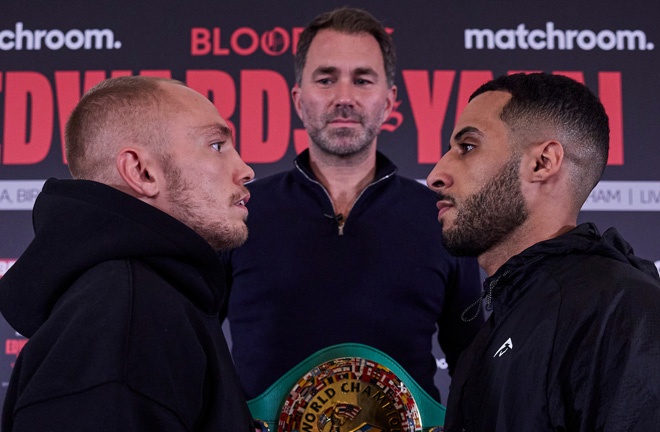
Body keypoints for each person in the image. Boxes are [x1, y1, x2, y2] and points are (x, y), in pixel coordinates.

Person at [223, 7, 484, 403]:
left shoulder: (442, 218)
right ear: (298, 99)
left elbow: (473, 371)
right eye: (326, 79)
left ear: (389, 101)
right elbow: (191, 355)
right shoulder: (239, 211)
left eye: (362, 80)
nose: (344, 98)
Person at [0, 76, 257, 431]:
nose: (245, 170)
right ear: (142, 172)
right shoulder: (128, 316)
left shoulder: (144, 301)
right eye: (216, 146)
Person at [426, 72, 660, 431]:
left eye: (467, 147)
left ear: (542, 163)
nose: (436, 174)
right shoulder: (495, 331)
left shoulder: (623, 311)